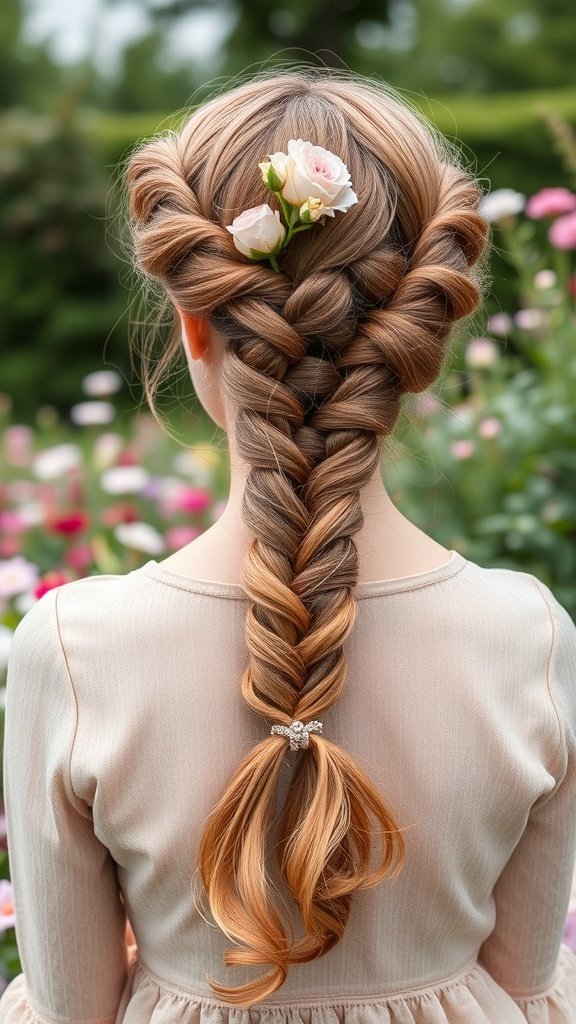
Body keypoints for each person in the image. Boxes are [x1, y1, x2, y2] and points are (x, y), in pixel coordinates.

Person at [1, 68, 575, 1024]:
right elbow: (527, 992)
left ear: (193, 328)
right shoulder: (531, 637)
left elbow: (71, 1007)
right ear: (417, 344)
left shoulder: (74, 650)